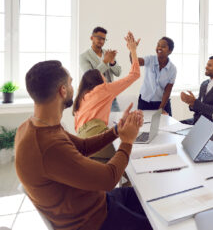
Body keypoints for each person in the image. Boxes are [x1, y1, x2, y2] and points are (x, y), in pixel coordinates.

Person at [15, 60, 152, 230]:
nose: (74, 87)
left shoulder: (33, 126)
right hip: (95, 220)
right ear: (62, 91)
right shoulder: (48, 146)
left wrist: (117, 130)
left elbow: (84, 147)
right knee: (157, 223)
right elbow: (108, 178)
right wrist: (127, 141)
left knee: (149, 196)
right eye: (71, 82)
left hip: (97, 201)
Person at [73, 32, 140, 162]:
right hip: (96, 139)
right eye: (104, 77)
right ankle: (130, 181)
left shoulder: (81, 97)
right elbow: (135, 74)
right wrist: (133, 50)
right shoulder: (103, 89)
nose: (106, 79)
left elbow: (117, 71)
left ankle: (125, 180)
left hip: (82, 143)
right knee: (132, 151)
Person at [80, 27, 122, 112]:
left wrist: (112, 61)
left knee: (117, 121)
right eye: (99, 38)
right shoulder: (84, 56)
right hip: (95, 98)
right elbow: (90, 77)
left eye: (104, 39)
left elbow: (118, 72)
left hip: (111, 96)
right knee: (100, 124)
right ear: (92, 38)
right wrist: (106, 61)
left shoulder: (107, 53)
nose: (101, 41)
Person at [180, 56, 213, 125]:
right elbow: (199, 106)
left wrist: (194, 102)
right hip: (196, 119)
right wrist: (191, 103)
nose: (206, 67)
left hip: (209, 124)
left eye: (209, 65)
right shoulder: (204, 84)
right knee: (176, 125)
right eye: (207, 64)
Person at [135, 36, 176, 116]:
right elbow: (135, 62)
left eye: (163, 46)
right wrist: (133, 50)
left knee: (166, 126)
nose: (159, 48)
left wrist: (161, 109)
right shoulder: (150, 59)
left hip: (162, 103)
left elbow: (167, 91)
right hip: (145, 102)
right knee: (143, 126)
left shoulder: (172, 69)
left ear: (170, 51)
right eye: (158, 45)